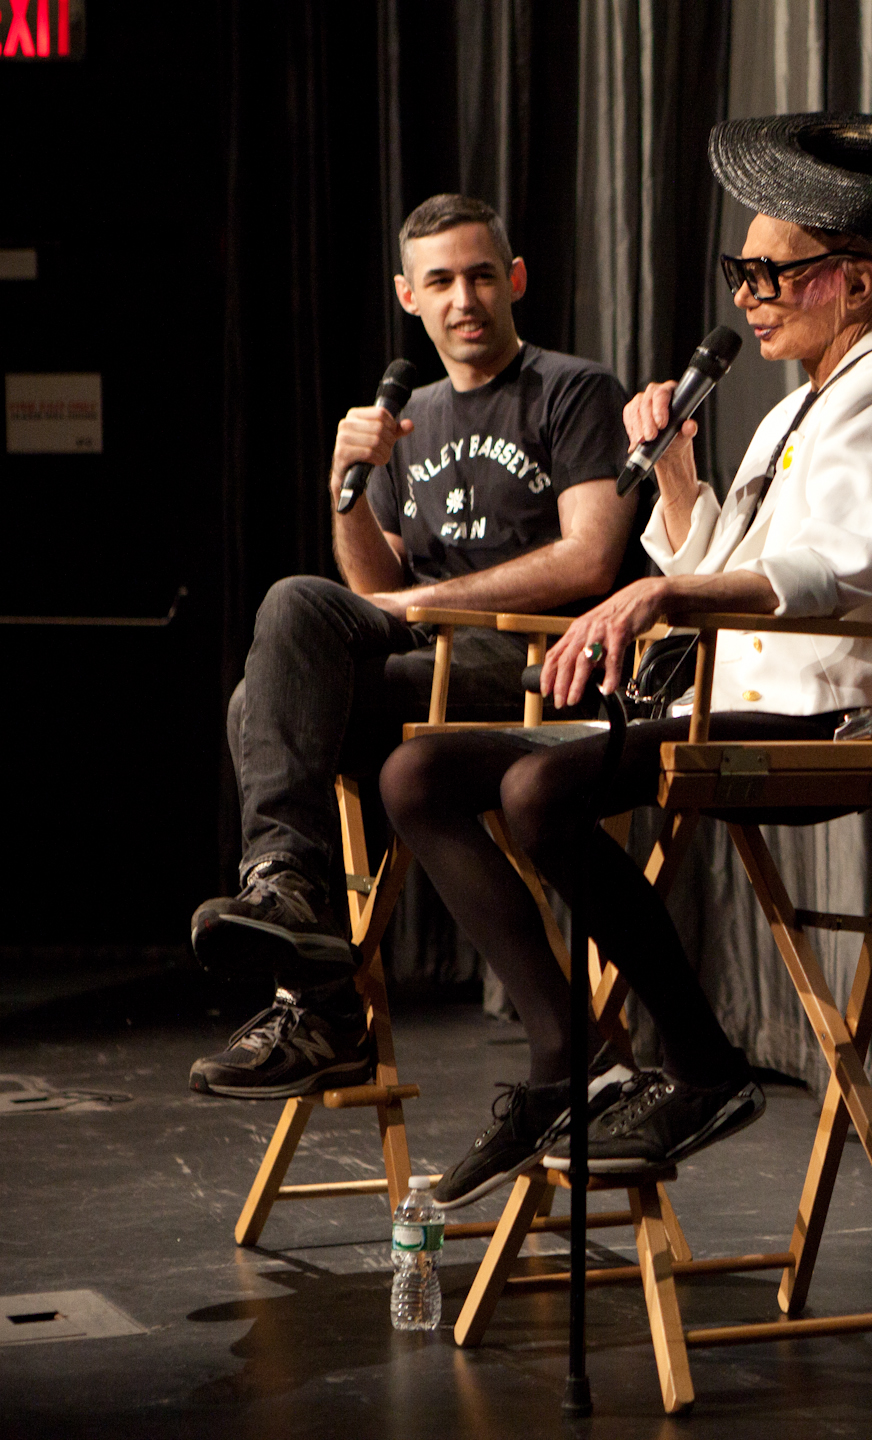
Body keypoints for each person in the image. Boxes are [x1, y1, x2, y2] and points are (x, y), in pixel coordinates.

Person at [378, 113, 872, 1207]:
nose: (747, 295)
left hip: (822, 717)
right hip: (725, 698)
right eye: (739, 272)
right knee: (417, 774)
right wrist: (673, 482)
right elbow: (728, 556)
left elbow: (834, 574)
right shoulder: (790, 412)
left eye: (772, 274)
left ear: (851, 281)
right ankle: (567, 1058)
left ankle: (703, 1063)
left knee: (540, 788)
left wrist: (658, 587)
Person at [189, 194, 641, 1100]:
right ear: (409, 295)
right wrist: (345, 487)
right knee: (269, 681)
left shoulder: (572, 389)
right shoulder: (411, 416)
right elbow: (366, 592)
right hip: (429, 667)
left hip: (535, 668)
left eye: (480, 275)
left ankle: (314, 988)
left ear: (513, 280)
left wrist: (434, 598)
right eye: (440, 281)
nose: (464, 298)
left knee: (271, 673)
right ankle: (293, 908)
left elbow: (592, 557)